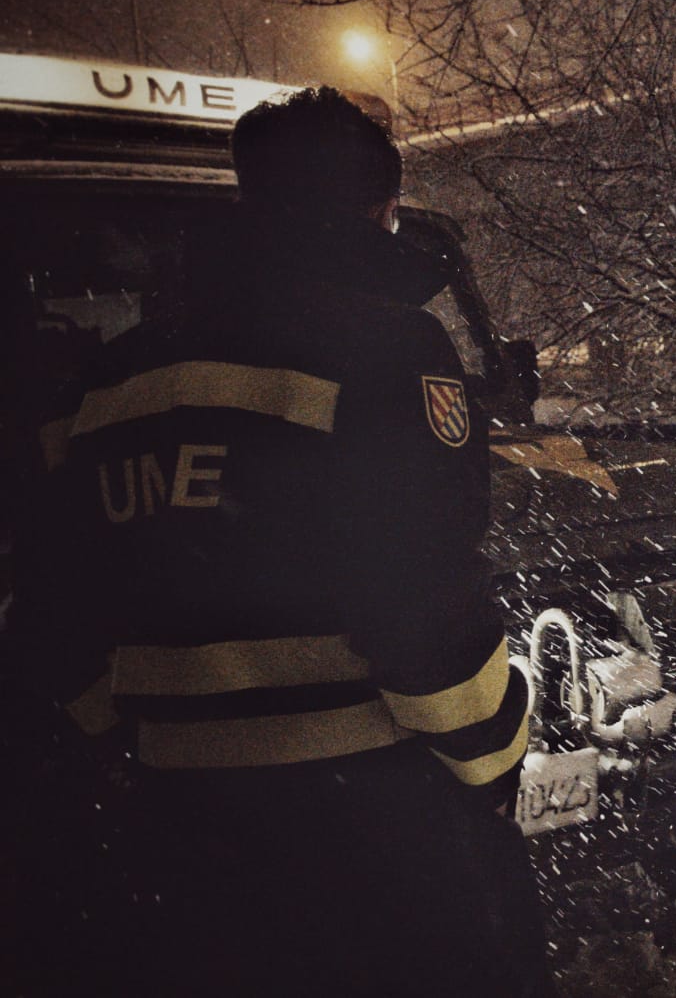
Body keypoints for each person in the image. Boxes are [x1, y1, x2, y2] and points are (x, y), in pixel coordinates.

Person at [6, 87, 549, 996]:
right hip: (373, 838)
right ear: (381, 208)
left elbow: (53, 612)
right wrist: (493, 755)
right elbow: (417, 602)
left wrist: (144, 740)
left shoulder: (109, 385)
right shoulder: (384, 350)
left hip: (180, 848)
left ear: (246, 200)